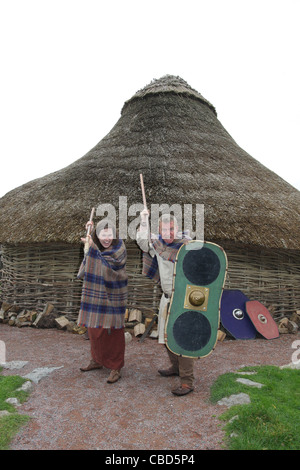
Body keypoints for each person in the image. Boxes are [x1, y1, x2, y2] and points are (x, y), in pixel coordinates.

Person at [136, 210, 195, 396]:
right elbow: (142, 242)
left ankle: (187, 382)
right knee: (166, 336)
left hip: (184, 300)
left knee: (183, 341)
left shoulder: (188, 246)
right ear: (159, 231)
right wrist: (144, 221)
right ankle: (176, 367)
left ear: (177, 229)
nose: (168, 233)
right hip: (167, 298)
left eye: (171, 229)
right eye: (164, 230)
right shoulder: (158, 245)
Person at [77, 219, 128, 384]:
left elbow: (108, 266)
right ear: (97, 235)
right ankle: (97, 360)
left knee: (114, 332)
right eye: (102, 234)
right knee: (94, 330)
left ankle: (116, 367)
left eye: (109, 234)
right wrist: (89, 244)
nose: (106, 238)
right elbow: (88, 264)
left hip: (114, 296)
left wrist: (91, 248)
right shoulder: (96, 248)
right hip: (96, 296)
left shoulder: (119, 249)